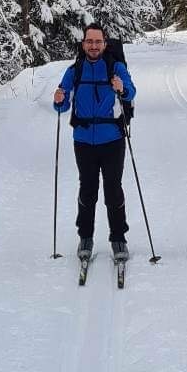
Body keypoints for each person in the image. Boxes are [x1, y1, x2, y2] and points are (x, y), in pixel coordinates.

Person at [53, 22, 137, 263]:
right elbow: (63, 104)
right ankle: (85, 238)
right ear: (83, 44)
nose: (93, 46)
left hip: (112, 139)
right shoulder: (74, 70)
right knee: (87, 190)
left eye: (98, 41)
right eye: (89, 41)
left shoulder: (115, 67)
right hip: (83, 140)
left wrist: (122, 88)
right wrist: (58, 99)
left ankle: (118, 238)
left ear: (104, 43)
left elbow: (131, 92)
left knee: (113, 190)